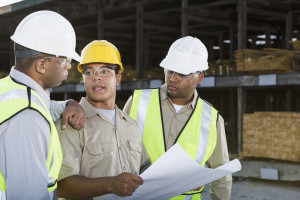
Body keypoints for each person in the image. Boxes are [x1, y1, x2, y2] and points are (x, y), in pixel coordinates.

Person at [123, 36, 232, 200]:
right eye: (170, 70)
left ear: (200, 77)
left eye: (181, 73)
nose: (172, 78)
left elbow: (221, 173)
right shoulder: (138, 102)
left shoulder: (212, 119)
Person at [0, 10, 86, 200]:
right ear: (41, 65)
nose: (69, 66)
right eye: (65, 60)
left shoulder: (8, 90)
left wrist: (66, 105)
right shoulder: (28, 120)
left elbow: (36, 107)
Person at [56, 40, 145, 200]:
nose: (96, 78)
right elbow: (62, 186)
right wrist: (111, 184)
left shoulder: (131, 125)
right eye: (88, 72)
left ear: (118, 79)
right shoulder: (71, 122)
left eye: (104, 71)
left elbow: (142, 171)